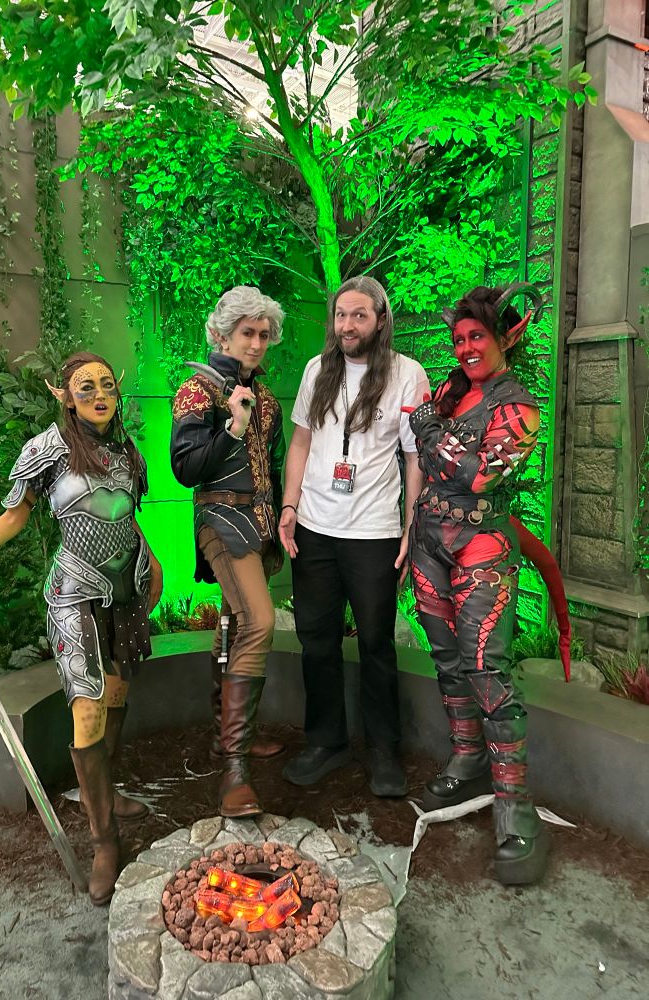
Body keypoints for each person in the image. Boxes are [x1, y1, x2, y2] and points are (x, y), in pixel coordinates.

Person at [0, 352, 162, 906]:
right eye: (85, 387)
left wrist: (152, 562)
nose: (99, 395)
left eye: (106, 385)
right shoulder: (48, 450)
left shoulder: (126, 452)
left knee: (117, 697)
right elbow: (14, 516)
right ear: (64, 395)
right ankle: (104, 841)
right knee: (88, 707)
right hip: (74, 591)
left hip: (125, 592)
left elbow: (128, 516)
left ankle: (105, 792)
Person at [407, 283, 549, 885]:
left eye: (476, 337)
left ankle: (514, 804)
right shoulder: (451, 391)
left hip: (482, 546)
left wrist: (431, 435)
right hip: (429, 540)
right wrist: (444, 444)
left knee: (487, 666)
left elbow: (479, 476)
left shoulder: (519, 407)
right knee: (445, 658)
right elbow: (444, 455)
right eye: (459, 338)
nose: (465, 347)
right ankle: (465, 755)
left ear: (503, 339)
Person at [278, 275, 429, 796]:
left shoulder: (408, 374)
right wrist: (289, 505)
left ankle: (384, 752)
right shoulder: (317, 370)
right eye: (341, 315)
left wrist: (412, 525)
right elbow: (300, 442)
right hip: (315, 531)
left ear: (380, 319)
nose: (347, 324)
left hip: (373, 534)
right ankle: (327, 742)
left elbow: (414, 457)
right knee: (315, 640)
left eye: (359, 314)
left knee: (376, 644)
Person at [170, 286, 285, 818]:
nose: (257, 344)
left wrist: (283, 521)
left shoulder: (266, 398)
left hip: (259, 522)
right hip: (220, 519)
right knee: (261, 621)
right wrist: (232, 427)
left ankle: (227, 736)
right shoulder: (198, 390)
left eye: (264, 335)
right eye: (247, 333)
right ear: (221, 333)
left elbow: (275, 467)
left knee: (236, 626)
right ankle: (234, 771)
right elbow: (187, 470)